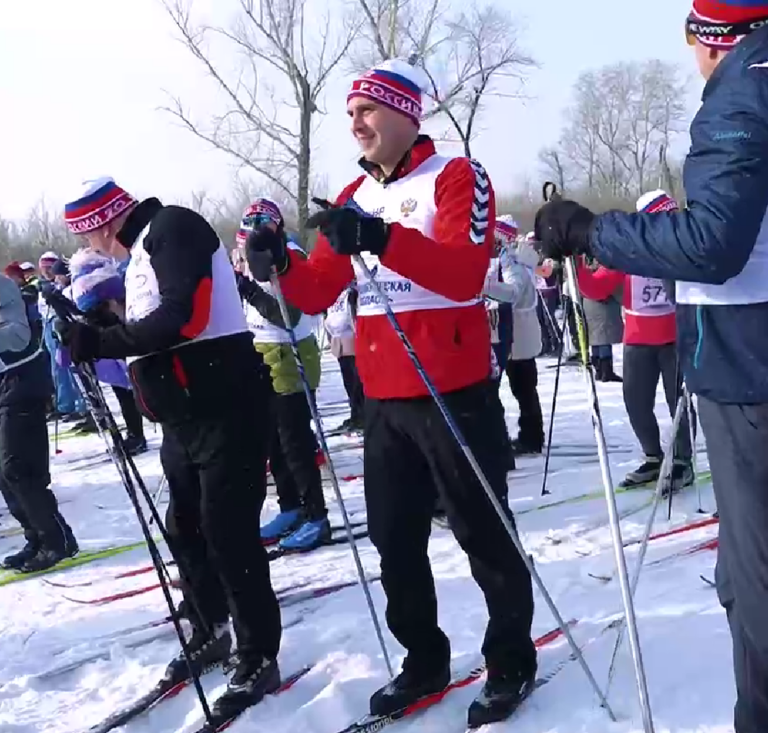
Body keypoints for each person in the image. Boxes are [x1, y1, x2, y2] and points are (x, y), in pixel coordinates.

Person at [245, 58, 536, 728]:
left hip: (452, 390)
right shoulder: (351, 194)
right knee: (393, 539)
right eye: (350, 113)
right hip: (384, 400)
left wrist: (381, 237)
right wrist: (281, 261)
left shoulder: (457, 177)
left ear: (407, 113)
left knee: (484, 532)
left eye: (368, 109)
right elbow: (318, 292)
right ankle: (424, 656)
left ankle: (511, 657)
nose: (356, 121)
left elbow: (465, 276)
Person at [534, 3, 768, 730]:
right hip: (723, 356)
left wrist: (591, 230)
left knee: (757, 583)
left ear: (708, 38)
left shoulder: (744, 86)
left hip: (748, 368)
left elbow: (710, 244)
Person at [57, 177, 282, 716]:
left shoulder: (173, 226)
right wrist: (97, 328)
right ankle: (211, 627)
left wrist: (103, 340)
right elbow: (151, 327)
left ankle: (258, 654)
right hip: (185, 416)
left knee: (228, 531)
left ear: (102, 224)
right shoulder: (141, 253)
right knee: (185, 526)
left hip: (227, 407)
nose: (90, 249)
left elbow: (185, 317)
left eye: (87, 238)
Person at [576, 190, 694, 489]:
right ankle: (653, 457)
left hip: (674, 338)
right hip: (639, 339)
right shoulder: (628, 253)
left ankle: (682, 462)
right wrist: (575, 262)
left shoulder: (679, 248)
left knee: (677, 402)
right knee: (636, 402)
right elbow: (596, 288)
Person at [233, 198, 329, 551]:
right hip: (262, 351)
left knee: (295, 442)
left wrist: (247, 288)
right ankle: (291, 506)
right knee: (273, 440)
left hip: (291, 352)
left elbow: (282, 311)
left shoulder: (288, 254)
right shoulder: (245, 252)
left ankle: (317, 515)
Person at [0, 273, 78, 572]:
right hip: (6, 383)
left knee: (18, 468)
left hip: (23, 380)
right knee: (4, 473)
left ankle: (56, 540)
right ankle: (36, 537)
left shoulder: (3, 286)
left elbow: (18, 336)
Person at [67, 248, 147, 456]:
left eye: (103, 307)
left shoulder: (128, 298)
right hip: (117, 354)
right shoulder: (95, 301)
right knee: (123, 392)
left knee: (132, 391)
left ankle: (137, 435)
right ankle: (134, 433)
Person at [504, 238, 546, 456]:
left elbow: (511, 294)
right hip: (517, 337)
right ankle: (531, 435)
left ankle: (531, 438)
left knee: (524, 390)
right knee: (523, 390)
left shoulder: (516, 268)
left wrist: (485, 289)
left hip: (518, 338)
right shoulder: (518, 264)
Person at [37, 252, 87, 425]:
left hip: (64, 325)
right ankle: (65, 405)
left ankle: (83, 406)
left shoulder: (63, 288)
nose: (47, 272)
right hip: (49, 325)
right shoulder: (44, 286)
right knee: (58, 369)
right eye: (43, 268)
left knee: (71, 368)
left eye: (49, 268)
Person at [325, 284, 365, 435]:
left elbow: (354, 315)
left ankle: (361, 416)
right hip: (339, 343)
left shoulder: (351, 293)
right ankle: (356, 415)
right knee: (349, 383)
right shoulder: (334, 294)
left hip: (352, 341)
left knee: (357, 384)